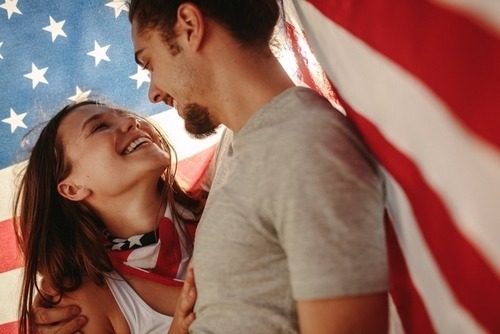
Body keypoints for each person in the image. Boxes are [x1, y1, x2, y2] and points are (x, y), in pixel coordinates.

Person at [35, 0, 389, 332]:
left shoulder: (302, 145)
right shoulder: (237, 153)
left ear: (189, 26)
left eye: (150, 62)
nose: (153, 94)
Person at [13, 100, 206, 333]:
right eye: (99, 127)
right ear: (72, 188)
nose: (132, 121)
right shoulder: (80, 304)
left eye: (123, 115)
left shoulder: (223, 193)